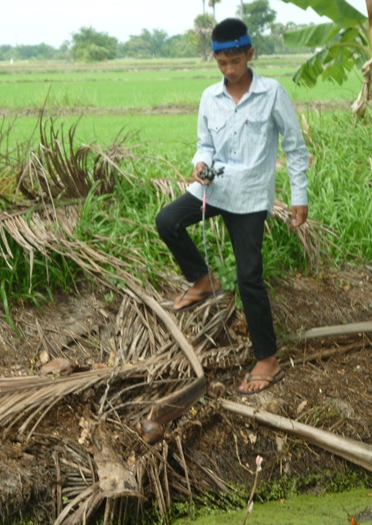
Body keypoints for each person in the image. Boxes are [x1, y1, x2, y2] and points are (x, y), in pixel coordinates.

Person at [155, 18, 310, 395]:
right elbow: (204, 143)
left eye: (236, 62)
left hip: (251, 198)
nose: (229, 70)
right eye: (222, 63)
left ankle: (267, 358)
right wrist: (200, 164)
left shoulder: (272, 93)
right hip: (214, 187)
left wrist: (298, 196)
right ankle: (204, 279)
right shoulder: (210, 97)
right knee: (167, 221)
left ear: (250, 54)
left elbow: (295, 147)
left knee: (249, 278)